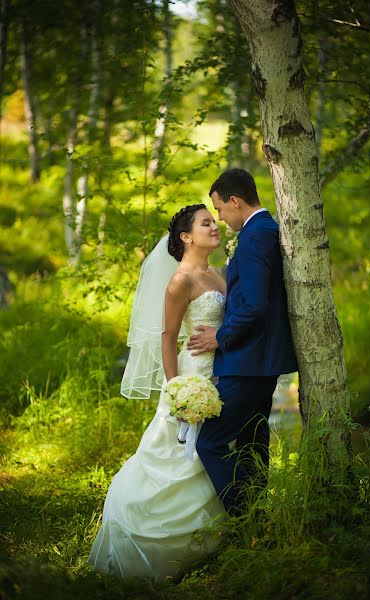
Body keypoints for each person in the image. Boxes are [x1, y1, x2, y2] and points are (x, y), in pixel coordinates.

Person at [88, 204, 227, 580]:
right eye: (206, 223)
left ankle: (212, 538)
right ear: (186, 237)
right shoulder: (180, 280)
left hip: (221, 372)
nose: (215, 226)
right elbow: (167, 337)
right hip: (191, 375)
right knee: (178, 450)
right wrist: (177, 388)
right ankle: (152, 539)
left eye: (214, 221)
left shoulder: (216, 274)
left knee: (212, 449)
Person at [188, 168, 298, 515]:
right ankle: (256, 512)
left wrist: (221, 337)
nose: (219, 218)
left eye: (219, 209)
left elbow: (252, 306)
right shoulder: (265, 230)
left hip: (248, 361)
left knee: (211, 442)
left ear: (234, 201)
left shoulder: (253, 237)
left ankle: (245, 513)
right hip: (260, 360)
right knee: (253, 439)